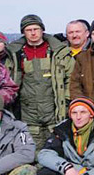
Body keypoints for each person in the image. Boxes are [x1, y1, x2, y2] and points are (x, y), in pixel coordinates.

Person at [5, 14, 74, 148]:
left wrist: (66, 100)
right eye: (28, 30)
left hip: (55, 110)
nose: (33, 33)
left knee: (56, 149)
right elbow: (8, 82)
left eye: (36, 29)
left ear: (42, 30)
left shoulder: (59, 53)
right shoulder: (15, 55)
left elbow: (71, 79)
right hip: (27, 113)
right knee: (30, 151)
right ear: (24, 33)